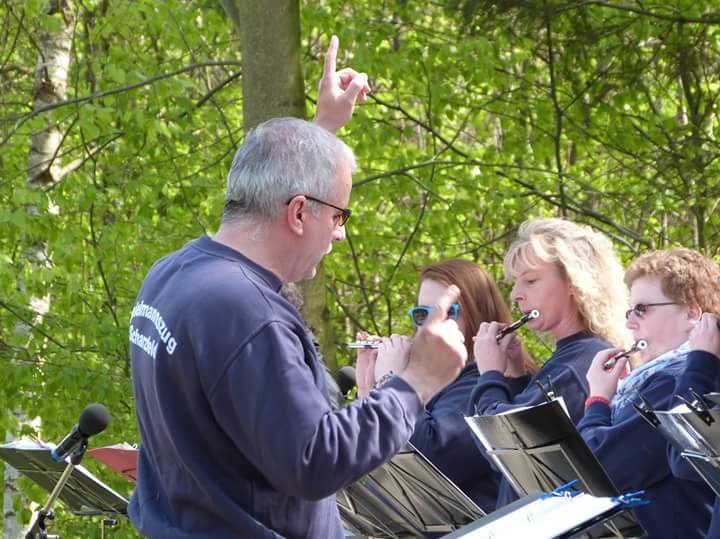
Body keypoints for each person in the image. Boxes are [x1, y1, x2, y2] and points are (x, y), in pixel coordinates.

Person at [127, 38, 468, 539]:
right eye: (339, 216)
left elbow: (282, 179)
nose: (340, 233)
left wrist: (320, 132)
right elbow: (315, 459)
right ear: (299, 212)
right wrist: (417, 381)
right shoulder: (248, 314)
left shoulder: (172, 274)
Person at [467, 217, 628, 506]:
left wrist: (489, 373)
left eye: (531, 281)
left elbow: (501, 446)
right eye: (515, 283)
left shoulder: (579, 362)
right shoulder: (574, 355)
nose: (516, 294)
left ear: (574, 283)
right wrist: (515, 376)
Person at [355, 259, 537, 511]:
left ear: (478, 313)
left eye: (447, 312)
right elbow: (376, 463)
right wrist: (369, 391)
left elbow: (433, 461)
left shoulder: (483, 379)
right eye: (423, 315)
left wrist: (392, 382)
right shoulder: (436, 378)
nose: (431, 326)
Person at [579, 248, 718, 538]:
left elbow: (594, 472)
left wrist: (598, 401)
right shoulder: (663, 378)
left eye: (642, 309)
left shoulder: (672, 380)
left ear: (692, 313)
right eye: (629, 312)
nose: (630, 323)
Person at [667, 312, 720, 539]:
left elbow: (684, 459)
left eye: (642, 310)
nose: (630, 323)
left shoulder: (665, 378)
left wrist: (701, 363)